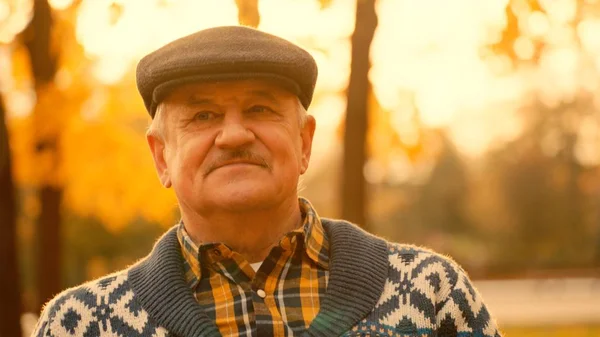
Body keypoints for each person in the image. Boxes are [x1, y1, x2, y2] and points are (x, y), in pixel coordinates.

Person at [33, 26, 501, 337]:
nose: (234, 134)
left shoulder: (431, 294)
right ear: (161, 157)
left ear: (304, 142)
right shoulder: (79, 326)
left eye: (259, 109)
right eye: (202, 115)